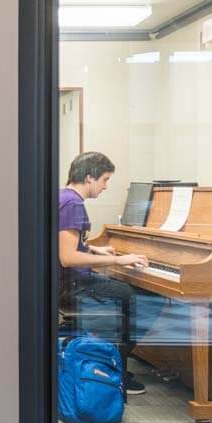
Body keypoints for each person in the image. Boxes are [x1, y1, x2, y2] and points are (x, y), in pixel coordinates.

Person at [58, 151, 166, 395]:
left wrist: (93, 248)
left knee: (133, 295)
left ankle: (113, 359)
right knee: (149, 299)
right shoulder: (73, 204)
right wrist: (118, 261)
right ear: (89, 177)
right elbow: (67, 257)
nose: (106, 186)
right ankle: (114, 366)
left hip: (67, 282)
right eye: (105, 179)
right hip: (73, 285)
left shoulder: (62, 197)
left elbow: (65, 244)